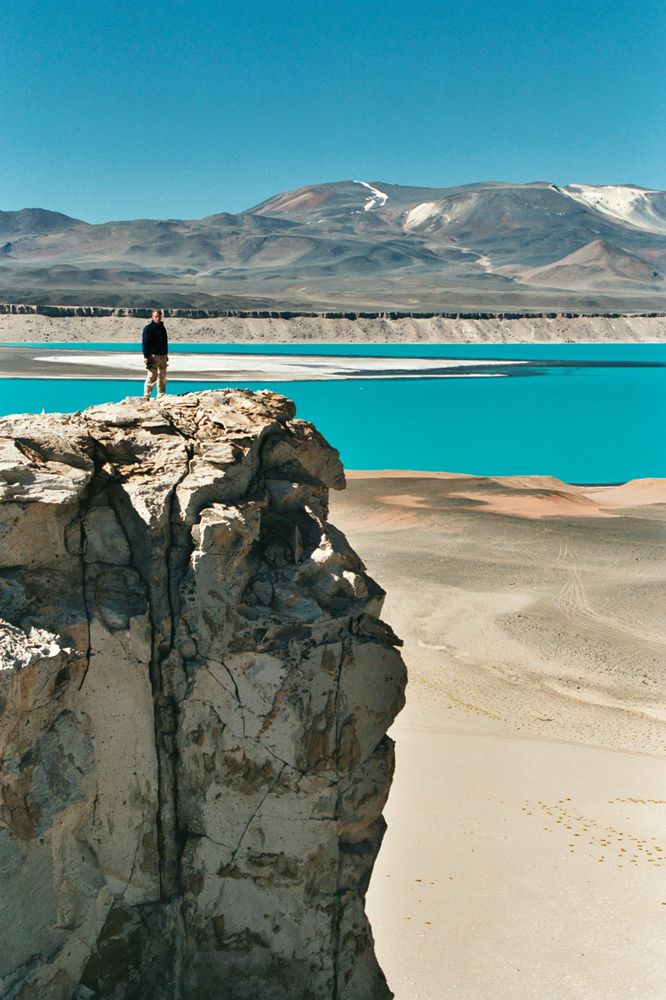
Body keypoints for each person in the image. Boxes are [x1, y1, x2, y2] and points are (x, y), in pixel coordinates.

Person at [142, 308, 169, 400]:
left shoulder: (162, 328)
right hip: (153, 356)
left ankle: (161, 396)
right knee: (152, 376)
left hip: (163, 356)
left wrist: (166, 354)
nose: (157, 318)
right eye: (156, 316)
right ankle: (146, 396)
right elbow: (145, 343)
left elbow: (165, 342)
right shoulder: (148, 328)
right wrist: (146, 356)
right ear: (152, 317)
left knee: (162, 376)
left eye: (159, 316)